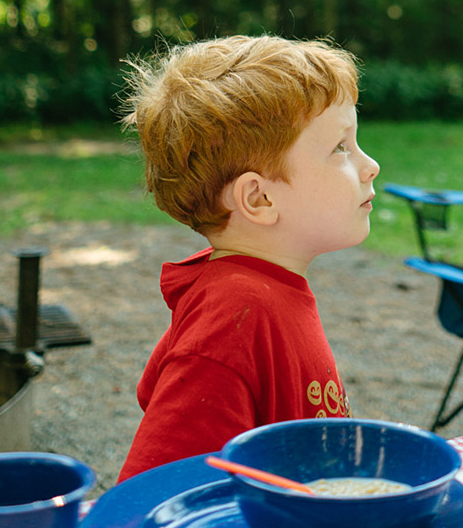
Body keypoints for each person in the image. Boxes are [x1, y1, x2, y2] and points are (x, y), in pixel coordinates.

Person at [117, 35, 379, 480]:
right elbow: (157, 495)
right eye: (340, 147)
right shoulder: (233, 319)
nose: (369, 164)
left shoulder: (263, 289)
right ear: (258, 198)